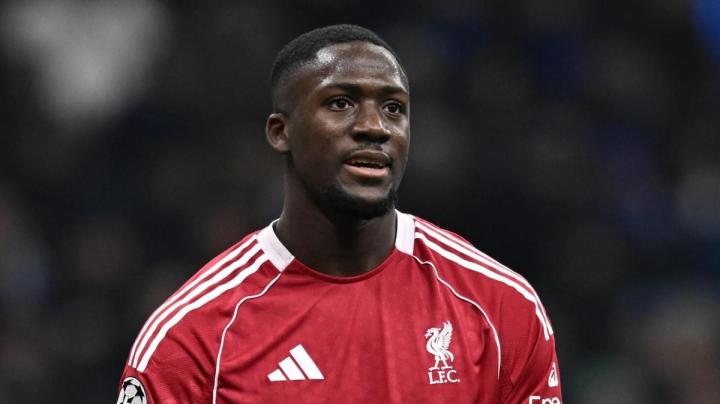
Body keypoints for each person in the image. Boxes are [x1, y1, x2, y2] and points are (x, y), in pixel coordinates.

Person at [117, 24, 562, 404]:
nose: (374, 127)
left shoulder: (500, 307)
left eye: (394, 108)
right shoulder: (192, 337)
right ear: (281, 132)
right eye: (341, 103)